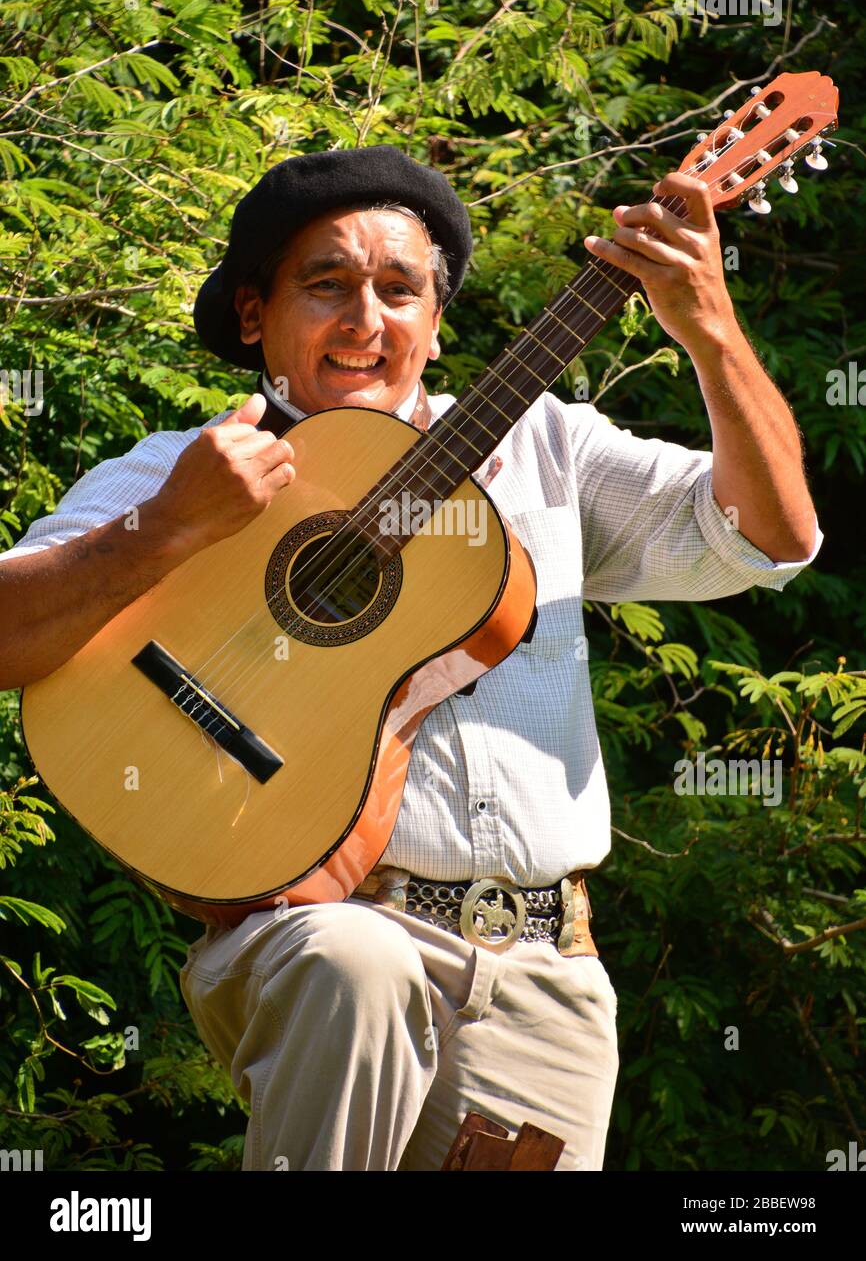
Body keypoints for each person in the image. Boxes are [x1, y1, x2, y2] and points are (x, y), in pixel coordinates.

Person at [0, 145, 822, 1172]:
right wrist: (163, 530)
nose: (364, 319)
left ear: (435, 323)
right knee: (357, 959)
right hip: (314, 929)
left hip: (538, 969)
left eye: (399, 289)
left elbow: (770, 537)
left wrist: (708, 330)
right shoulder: (190, 466)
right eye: (326, 285)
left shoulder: (543, 453)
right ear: (254, 314)